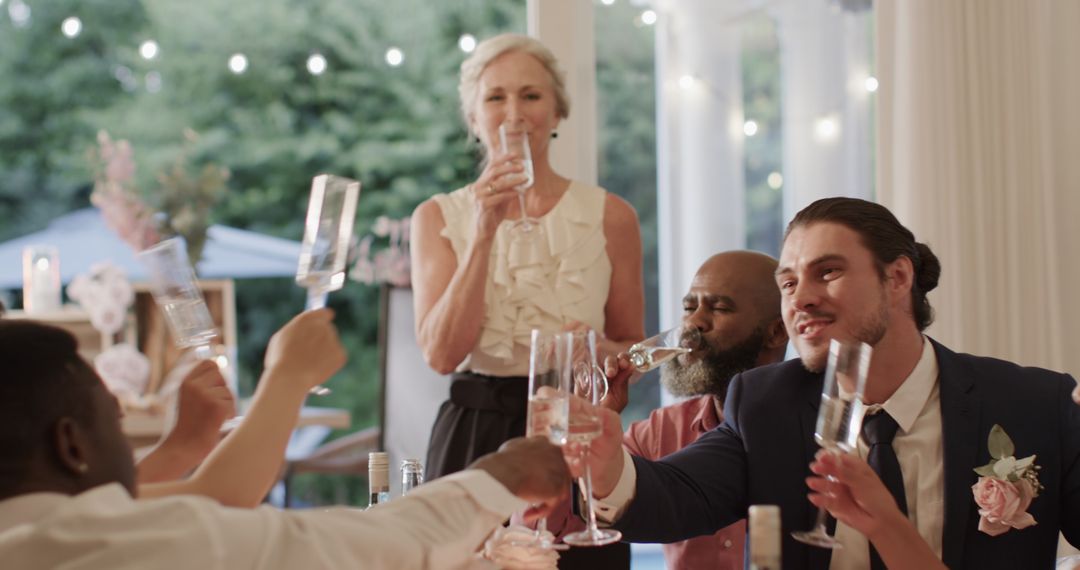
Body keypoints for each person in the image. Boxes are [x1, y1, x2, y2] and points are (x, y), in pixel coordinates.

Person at [573, 197, 1080, 569]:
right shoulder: (766, 402)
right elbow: (677, 495)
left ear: (898, 278)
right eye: (789, 283)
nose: (801, 299)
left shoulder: (1033, 405)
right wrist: (606, 466)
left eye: (828, 272)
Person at [0, 317, 572, 569]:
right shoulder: (132, 545)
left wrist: (178, 448)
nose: (122, 419)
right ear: (71, 445)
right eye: (112, 412)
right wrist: (498, 475)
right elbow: (365, 547)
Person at [410, 33, 644, 479]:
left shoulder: (612, 216)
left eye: (531, 95)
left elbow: (631, 345)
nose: (514, 114)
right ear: (474, 118)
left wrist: (595, 351)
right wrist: (482, 233)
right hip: (475, 437)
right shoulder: (435, 217)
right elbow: (441, 355)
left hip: (577, 429)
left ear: (558, 111)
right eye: (496, 97)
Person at [579, 250, 786, 569]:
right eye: (689, 308)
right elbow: (591, 503)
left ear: (776, 333)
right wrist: (600, 421)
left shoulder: (805, 424)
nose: (694, 322)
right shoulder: (661, 429)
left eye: (718, 308)